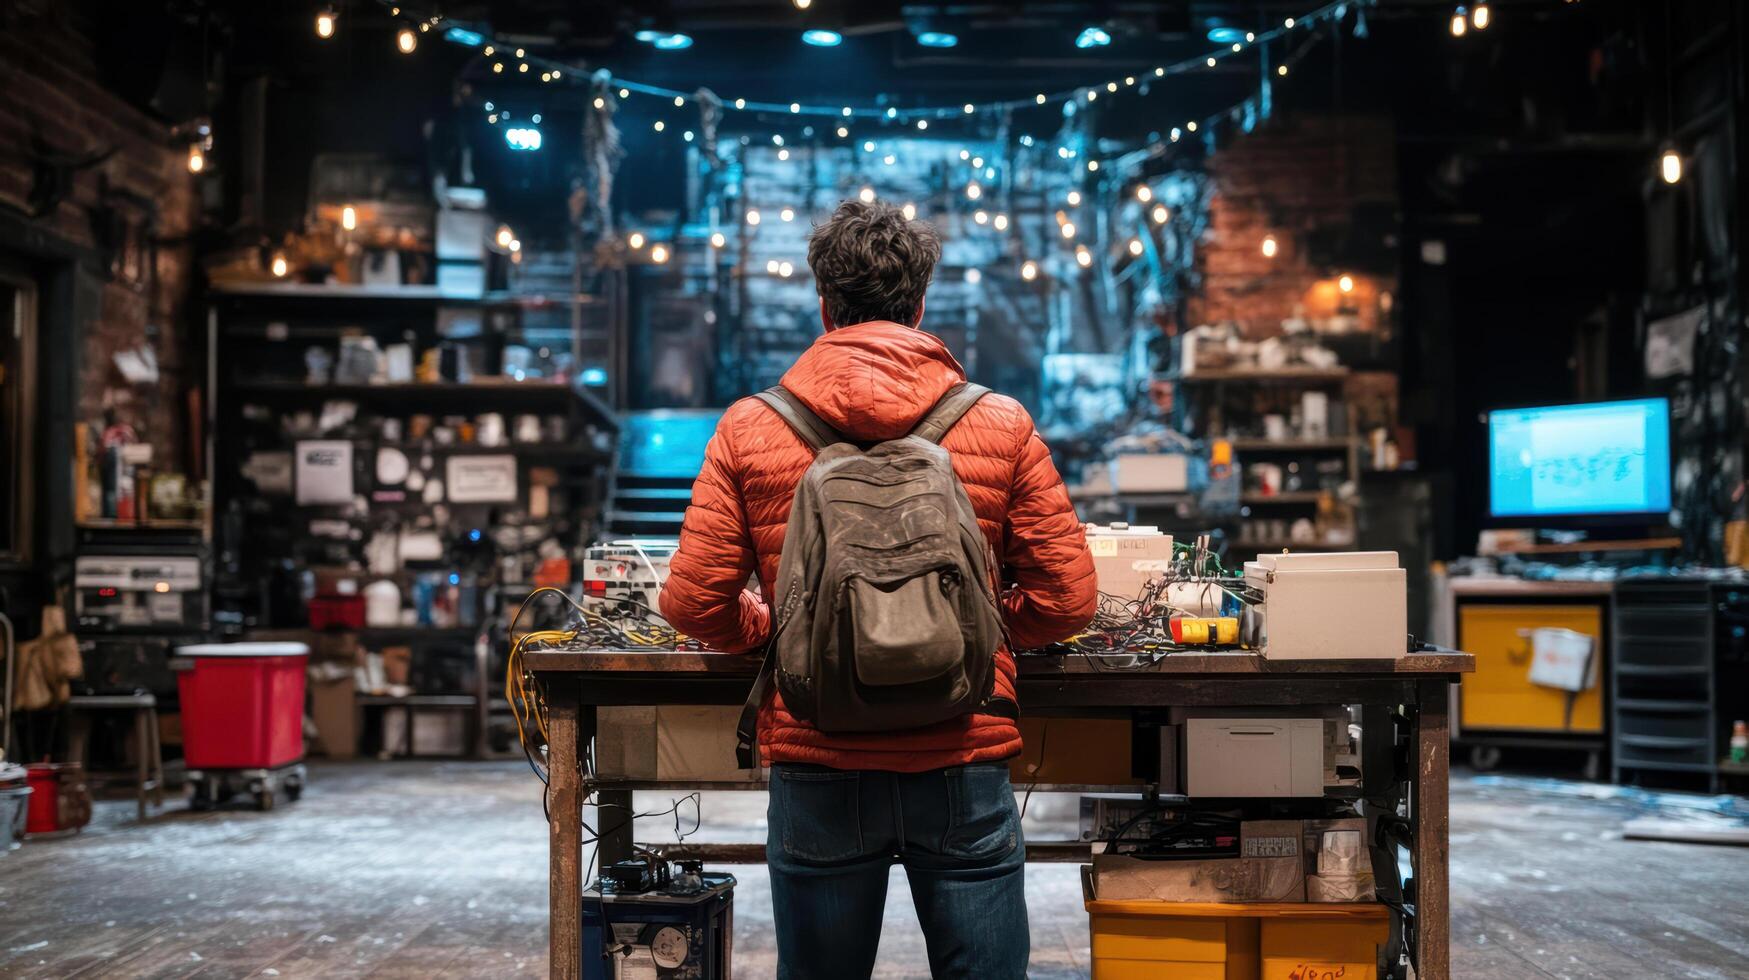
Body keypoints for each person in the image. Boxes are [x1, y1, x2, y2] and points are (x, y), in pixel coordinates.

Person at [660, 199, 1096, 979]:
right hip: (962, 749)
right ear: (921, 304)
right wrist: (982, 634)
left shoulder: (750, 427)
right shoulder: (998, 423)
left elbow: (695, 603)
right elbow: (1067, 601)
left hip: (818, 751)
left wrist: (777, 631)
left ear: (823, 305)